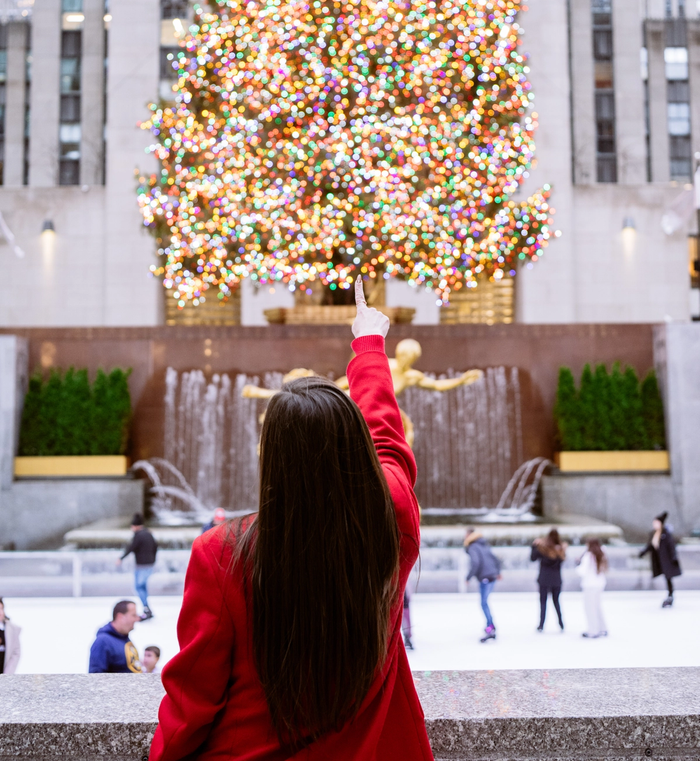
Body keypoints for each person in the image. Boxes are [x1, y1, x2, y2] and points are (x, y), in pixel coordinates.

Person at [150, 278, 434, 761]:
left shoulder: (221, 554)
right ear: (356, 449)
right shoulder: (394, 523)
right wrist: (368, 346)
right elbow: (388, 442)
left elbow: (194, 697)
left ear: (272, 459)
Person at [117, 513, 158, 620]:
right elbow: (155, 547)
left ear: (135, 526)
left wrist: (121, 558)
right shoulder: (149, 534)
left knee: (138, 587)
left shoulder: (138, 535)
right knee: (142, 587)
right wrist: (153, 559)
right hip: (149, 564)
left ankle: (146, 608)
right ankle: (147, 608)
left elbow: (131, 547)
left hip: (141, 566)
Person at [464, 529, 502, 643]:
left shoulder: (472, 547)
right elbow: (496, 560)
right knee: (485, 602)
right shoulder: (484, 544)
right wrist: (498, 572)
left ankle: (490, 627)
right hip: (492, 576)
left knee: (484, 603)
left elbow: (475, 562)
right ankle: (491, 626)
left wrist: (468, 577)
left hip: (485, 577)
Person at [639, 512, 682, 608]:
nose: (654, 524)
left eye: (656, 522)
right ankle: (670, 595)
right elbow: (650, 546)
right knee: (667, 578)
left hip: (667, 561)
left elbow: (671, 546)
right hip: (660, 561)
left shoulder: (666, 534)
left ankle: (670, 596)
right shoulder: (654, 534)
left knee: (668, 578)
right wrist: (643, 552)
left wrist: (674, 557)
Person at [89, 600, 142, 673]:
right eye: (133, 615)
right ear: (120, 617)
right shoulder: (103, 641)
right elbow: (96, 677)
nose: (137, 619)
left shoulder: (124, 639)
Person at [531, 528, 568, 632]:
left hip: (544, 579)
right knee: (556, 602)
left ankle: (541, 625)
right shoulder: (560, 550)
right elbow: (562, 560)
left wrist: (534, 546)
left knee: (543, 602)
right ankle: (561, 623)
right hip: (556, 580)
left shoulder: (542, 549)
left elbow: (532, 558)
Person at [576, 538, 608, 639]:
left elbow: (582, 571)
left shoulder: (588, 555)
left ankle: (593, 630)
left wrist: (577, 565)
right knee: (597, 607)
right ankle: (602, 628)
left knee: (590, 608)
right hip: (599, 584)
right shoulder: (602, 553)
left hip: (590, 585)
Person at [0, 598, 21, 674]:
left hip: (5, 673)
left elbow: (16, 652)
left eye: (1, 609)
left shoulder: (11, 630)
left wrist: (8, 674)